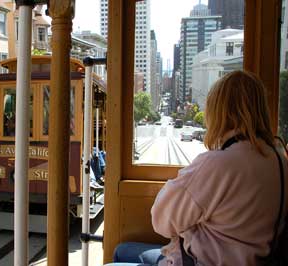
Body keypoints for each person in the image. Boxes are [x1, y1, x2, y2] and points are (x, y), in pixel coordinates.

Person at [106, 71, 288, 266]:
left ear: (219, 113)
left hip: (202, 261)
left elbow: (161, 221)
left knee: (116, 258)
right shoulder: (279, 157)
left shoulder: (219, 164)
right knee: (123, 250)